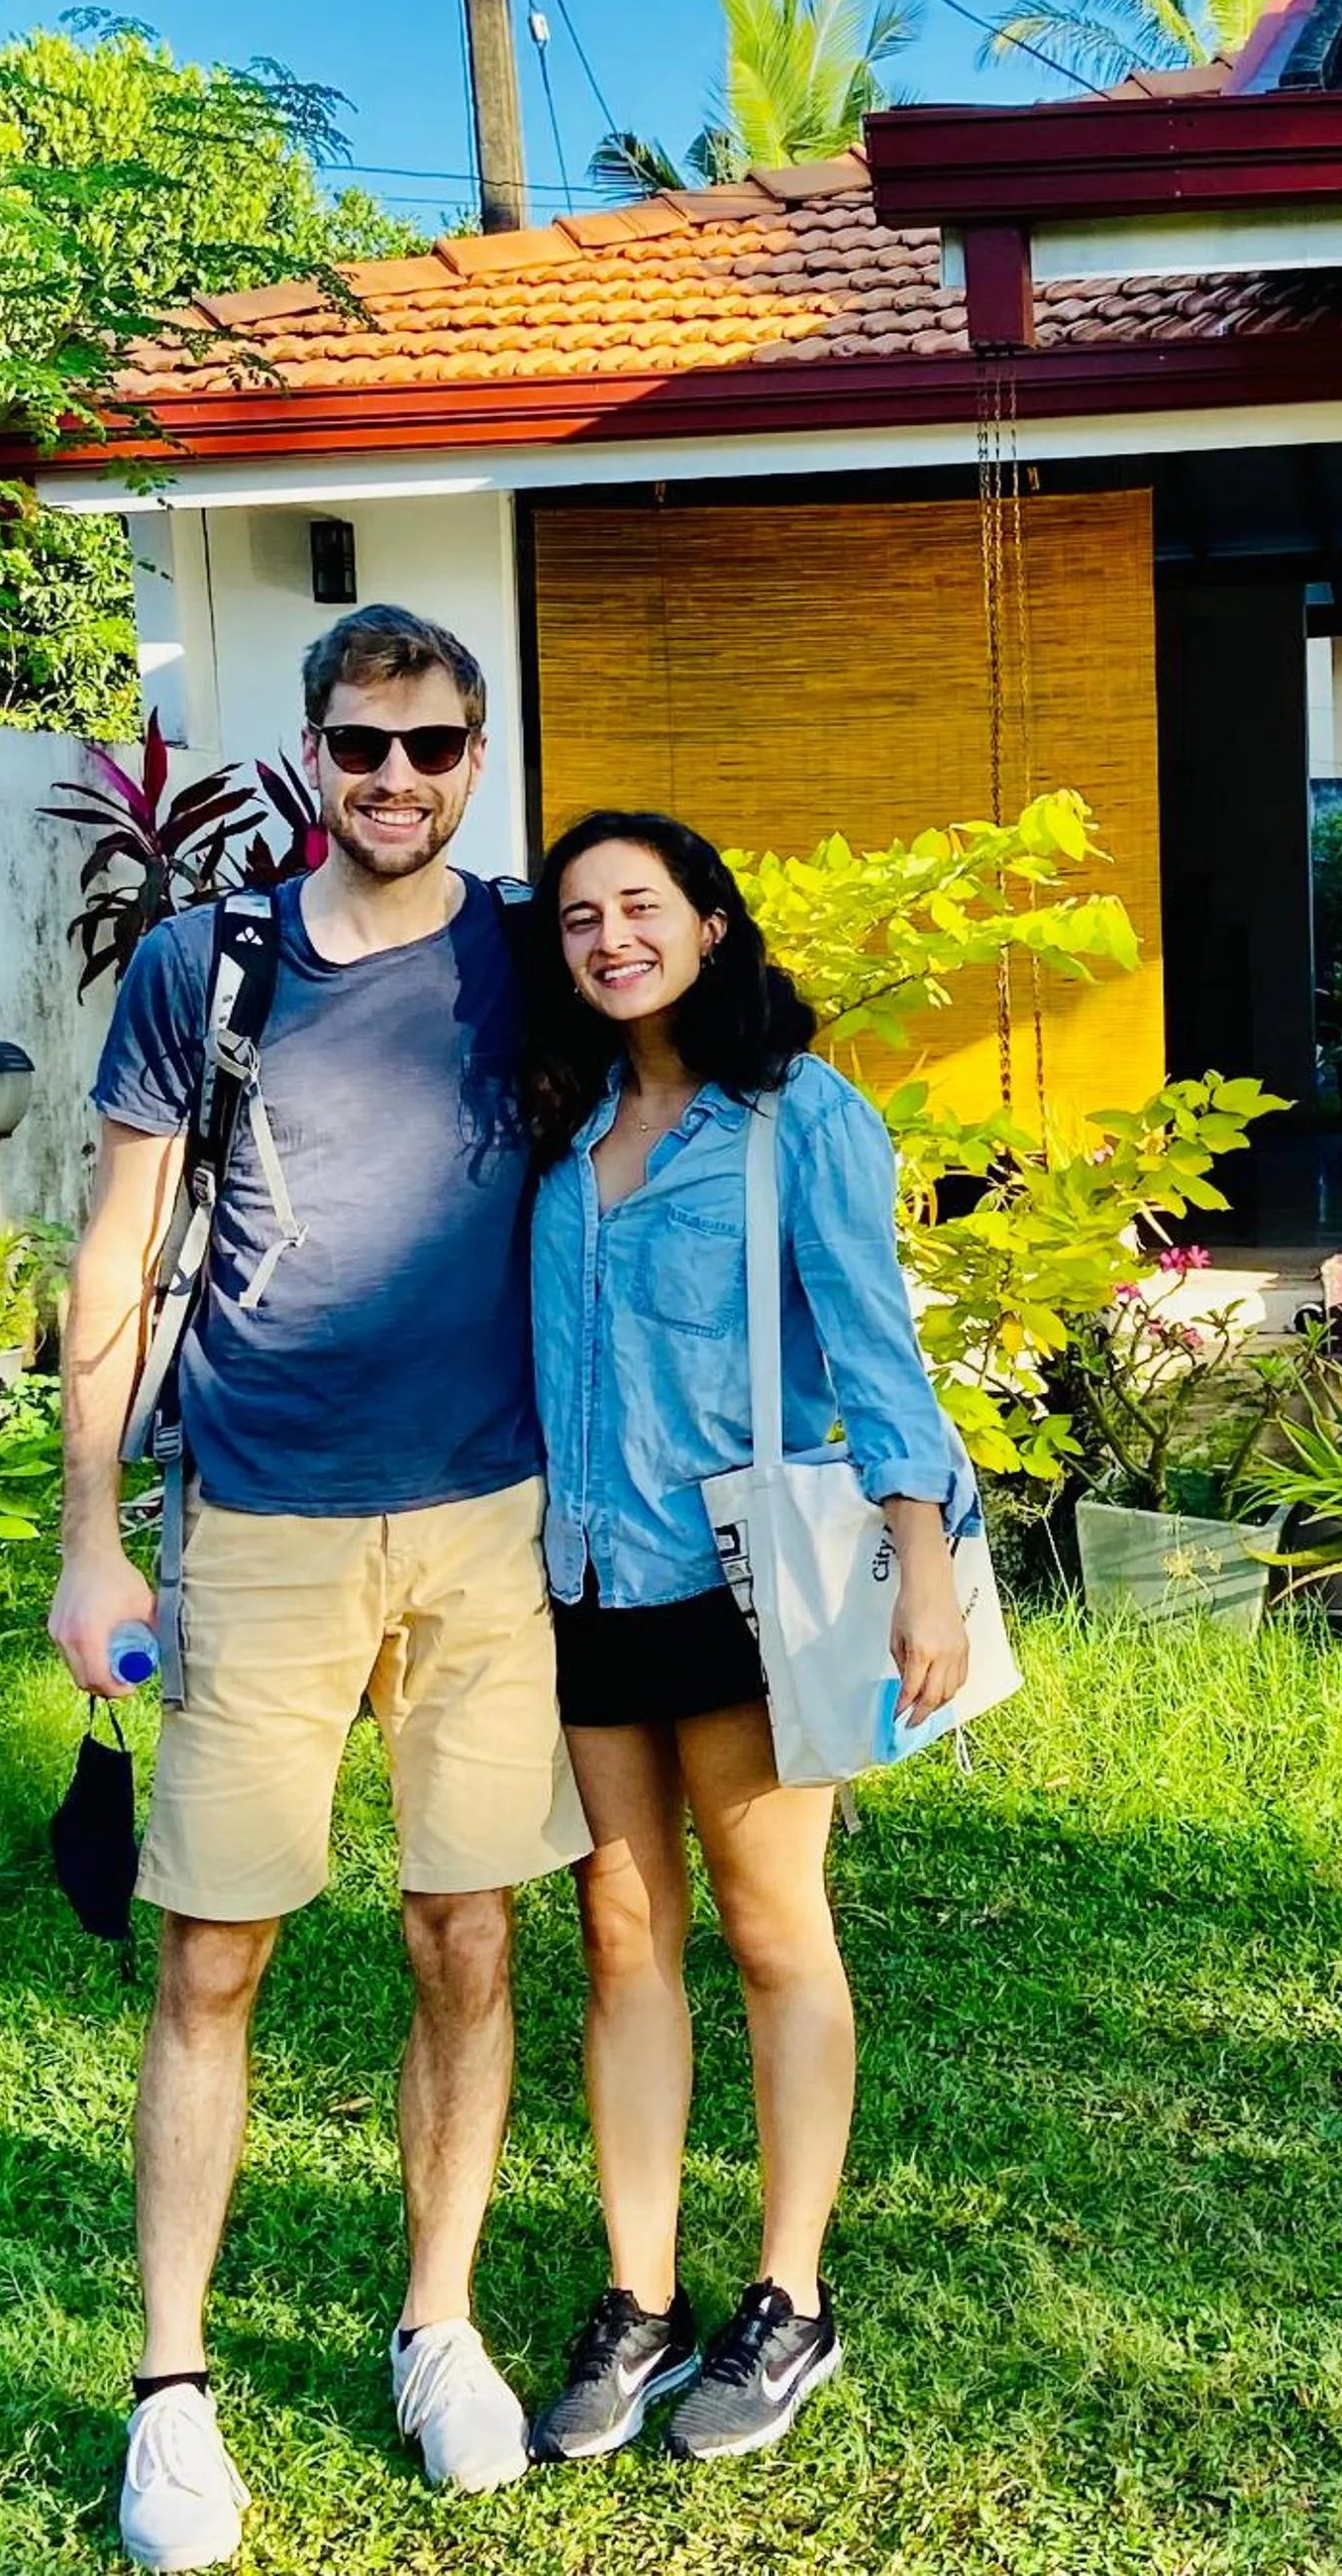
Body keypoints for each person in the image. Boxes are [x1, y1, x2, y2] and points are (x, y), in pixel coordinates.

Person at [50, 607, 590, 2573]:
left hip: (489, 1528)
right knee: (213, 1950)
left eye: (431, 747)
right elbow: (114, 1259)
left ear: (474, 755)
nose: (394, 780)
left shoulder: (538, 957)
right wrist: (89, 1532)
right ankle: (170, 2389)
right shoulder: (208, 964)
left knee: (466, 1931)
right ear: (308, 752)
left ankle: (434, 2319)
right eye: (359, 745)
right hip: (262, 1516)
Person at [518, 808, 974, 2466]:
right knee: (622, 1940)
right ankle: (642, 2299)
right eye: (579, 916)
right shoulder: (560, 1126)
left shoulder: (795, 1117)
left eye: (642, 906)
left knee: (776, 1929)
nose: (611, 936)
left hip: (743, 1591)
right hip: (581, 1586)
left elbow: (876, 1347)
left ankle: (789, 2295)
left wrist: (922, 1556)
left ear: (711, 923)